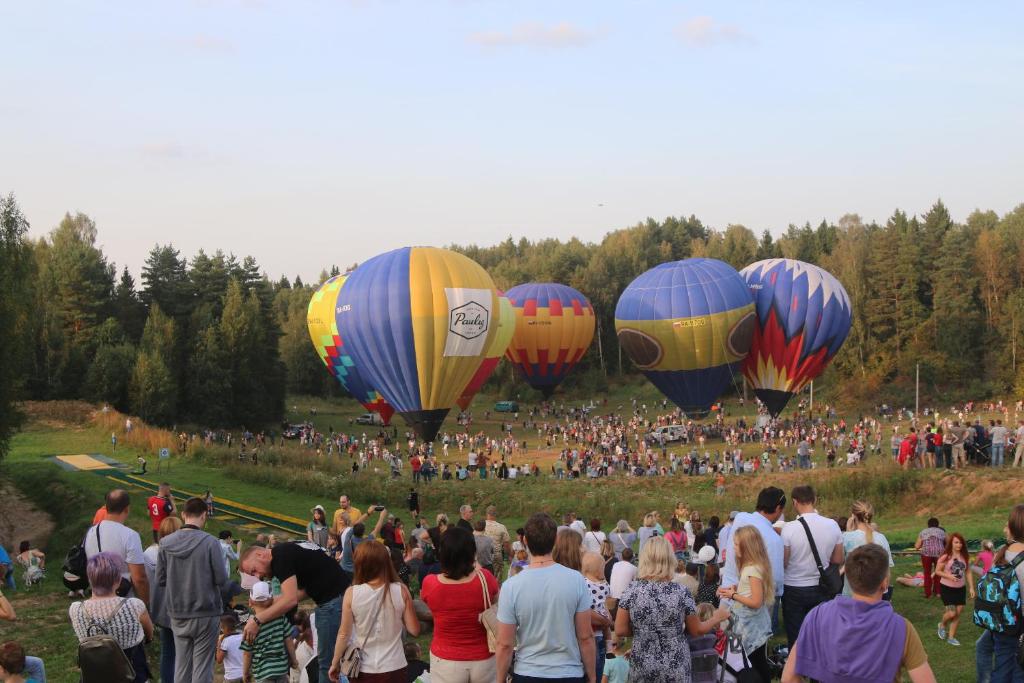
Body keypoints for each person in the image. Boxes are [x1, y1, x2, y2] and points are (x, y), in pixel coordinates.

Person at [781, 544, 935, 683]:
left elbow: (788, 678)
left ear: (848, 577)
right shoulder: (901, 628)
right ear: (885, 583)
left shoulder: (818, 615)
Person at [495, 512, 596, 683]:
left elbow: (505, 643)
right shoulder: (576, 580)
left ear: (525, 541)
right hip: (568, 672)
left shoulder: (511, 586)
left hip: (528, 671)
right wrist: (592, 677)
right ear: (556, 539)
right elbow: (585, 636)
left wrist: (499, 679)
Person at [614, 537, 730, 683]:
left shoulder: (631, 591)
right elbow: (696, 630)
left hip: (642, 662)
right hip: (675, 664)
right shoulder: (681, 591)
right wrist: (716, 618)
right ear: (670, 559)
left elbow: (619, 629)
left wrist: (644, 630)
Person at [241, 534, 351, 683]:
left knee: (326, 664)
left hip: (331, 603)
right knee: (341, 657)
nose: (258, 576)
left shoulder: (279, 559)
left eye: (254, 570)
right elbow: (305, 590)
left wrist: (256, 620)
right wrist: (270, 602)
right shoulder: (287, 550)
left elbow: (290, 600)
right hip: (342, 595)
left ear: (260, 554)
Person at [159, 496, 229, 683]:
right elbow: (221, 579)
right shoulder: (210, 542)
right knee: (202, 667)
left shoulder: (165, 544)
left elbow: (161, 579)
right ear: (204, 515)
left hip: (178, 612)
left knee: (181, 665)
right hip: (206, 611)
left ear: (183, 515)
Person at [328, 541, 421, 682]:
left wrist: (335, 663)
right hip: (395, 666)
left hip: (364, 669)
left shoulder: (352, 593)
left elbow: (343, 634)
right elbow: (414, 630)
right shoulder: (401, 590)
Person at [420, 526, 499, 682]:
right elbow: (494, 602)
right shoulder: (486, 578)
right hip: (484, 658)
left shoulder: (430, 584)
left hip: (446, 660)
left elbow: (429, 603)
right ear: (472, 552)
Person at [69, 553, 154, 682]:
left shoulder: (76, 609)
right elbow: (149, 633)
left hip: (94, 675)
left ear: (89, 579)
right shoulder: (134, 605)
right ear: (118, 580)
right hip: (131, 674)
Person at [780, 485, 844, 647]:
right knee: (821, 631)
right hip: (822, 586)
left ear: (795, 502)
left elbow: (784, 562)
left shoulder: (789, 529)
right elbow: (838, 559)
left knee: (796, 634)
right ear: (814, 500)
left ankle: (798, 668)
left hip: (794, 587)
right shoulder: (832, 525)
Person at [720, 487, 786, 630]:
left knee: (725, 643)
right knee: (751, 646)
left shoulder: (740, 518)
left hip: (728, 590)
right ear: (778, 508)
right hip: (751, 604)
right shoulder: (774, 539)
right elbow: (776, 579)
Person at [975, 504, 1024, 683]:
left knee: (1002, 665)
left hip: (999, 619)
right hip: (1019, 622)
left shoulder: (1002, 553)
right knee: (1019, 669)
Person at [719, 526, 775, 682]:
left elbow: (756, 601)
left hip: (752, 627)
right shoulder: (753, 566)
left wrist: (734, 595)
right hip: (752, 623)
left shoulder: (752, 569)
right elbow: (751, 590)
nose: (734, 547)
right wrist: (736, 589)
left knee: (756, 661)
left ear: (747, 546)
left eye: (736, 544)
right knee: (756, 660)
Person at [83, 489, 150, 606]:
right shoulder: (130, 535)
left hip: (97, 597)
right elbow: (139, 578)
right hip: (123, 600)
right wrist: (145, 605)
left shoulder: (91, 532)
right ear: (127, 509)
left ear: (106, 507)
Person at [144, 515, 182, 683]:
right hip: (183, 609)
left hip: (161, 609)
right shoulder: (183, 553)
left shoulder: (150, 553)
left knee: (168, 651)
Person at [241, 581, 298, 683]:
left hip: (262, 673)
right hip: (281, 669)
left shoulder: (250, 628)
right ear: (272, 599)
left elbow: (247, 654)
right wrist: (294, 660)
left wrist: (245, 673)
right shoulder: (281, 618)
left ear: (250, 602)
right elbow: (289, 640)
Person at [842, 500, 894, 597]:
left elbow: (840, 562)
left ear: (853, 515)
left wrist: (848, 530)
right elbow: (887, 569)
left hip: (851, 594)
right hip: (876, 595)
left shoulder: (847, 537)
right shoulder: (881, 538)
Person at [935, 532, 975, 647]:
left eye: (960, 542)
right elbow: (938, 571)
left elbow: (968, 571)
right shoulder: (946, 556)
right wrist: (949, 576)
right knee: (951, 613)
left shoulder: (965, 556)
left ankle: (951, 637)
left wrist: (971, 587)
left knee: (957, 614)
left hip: (960, 589)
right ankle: (942, 625)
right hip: (947, 588)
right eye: (956, 542)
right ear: (951, 543)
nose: (959, 544)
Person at [581, 551, 612, 683]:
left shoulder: (582, 583)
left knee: (592, 669)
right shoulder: (605, 585)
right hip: (603, 617)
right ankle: (610, 648)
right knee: (607, 629)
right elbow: (609, 602)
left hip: (589, 628)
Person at [914, 518, 946, 599]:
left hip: (926, 554)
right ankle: (938, 593)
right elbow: (948, 543)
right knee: (939, 572)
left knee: (927, 573)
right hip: (939, 553)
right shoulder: (942, 532)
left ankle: (928, 594)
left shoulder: (923, 532)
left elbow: (917, 546)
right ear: (938, 524)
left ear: (928, 525)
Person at [483, 506, 511, 582]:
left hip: (483, 555)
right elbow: (506, 544)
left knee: (483, 578)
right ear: (496, 514)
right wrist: (508, 556)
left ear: (487, 514)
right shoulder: (501, 527)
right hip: (497, 555)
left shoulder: (481, 526)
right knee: (497, 580)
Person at [217, 613, 245, 683]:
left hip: (231, 677)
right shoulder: (242, 637)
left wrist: (218, 646)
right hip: (244, 674)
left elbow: (219, 660)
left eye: (221, 628)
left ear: (225, 628)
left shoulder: (226, 641)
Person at [608, 548, 637, 614]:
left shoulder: (615, 565)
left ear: (621, 556)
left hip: (613, 596)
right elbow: (635, 584)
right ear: (632, 557)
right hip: (623, 600)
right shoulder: (634, 568)